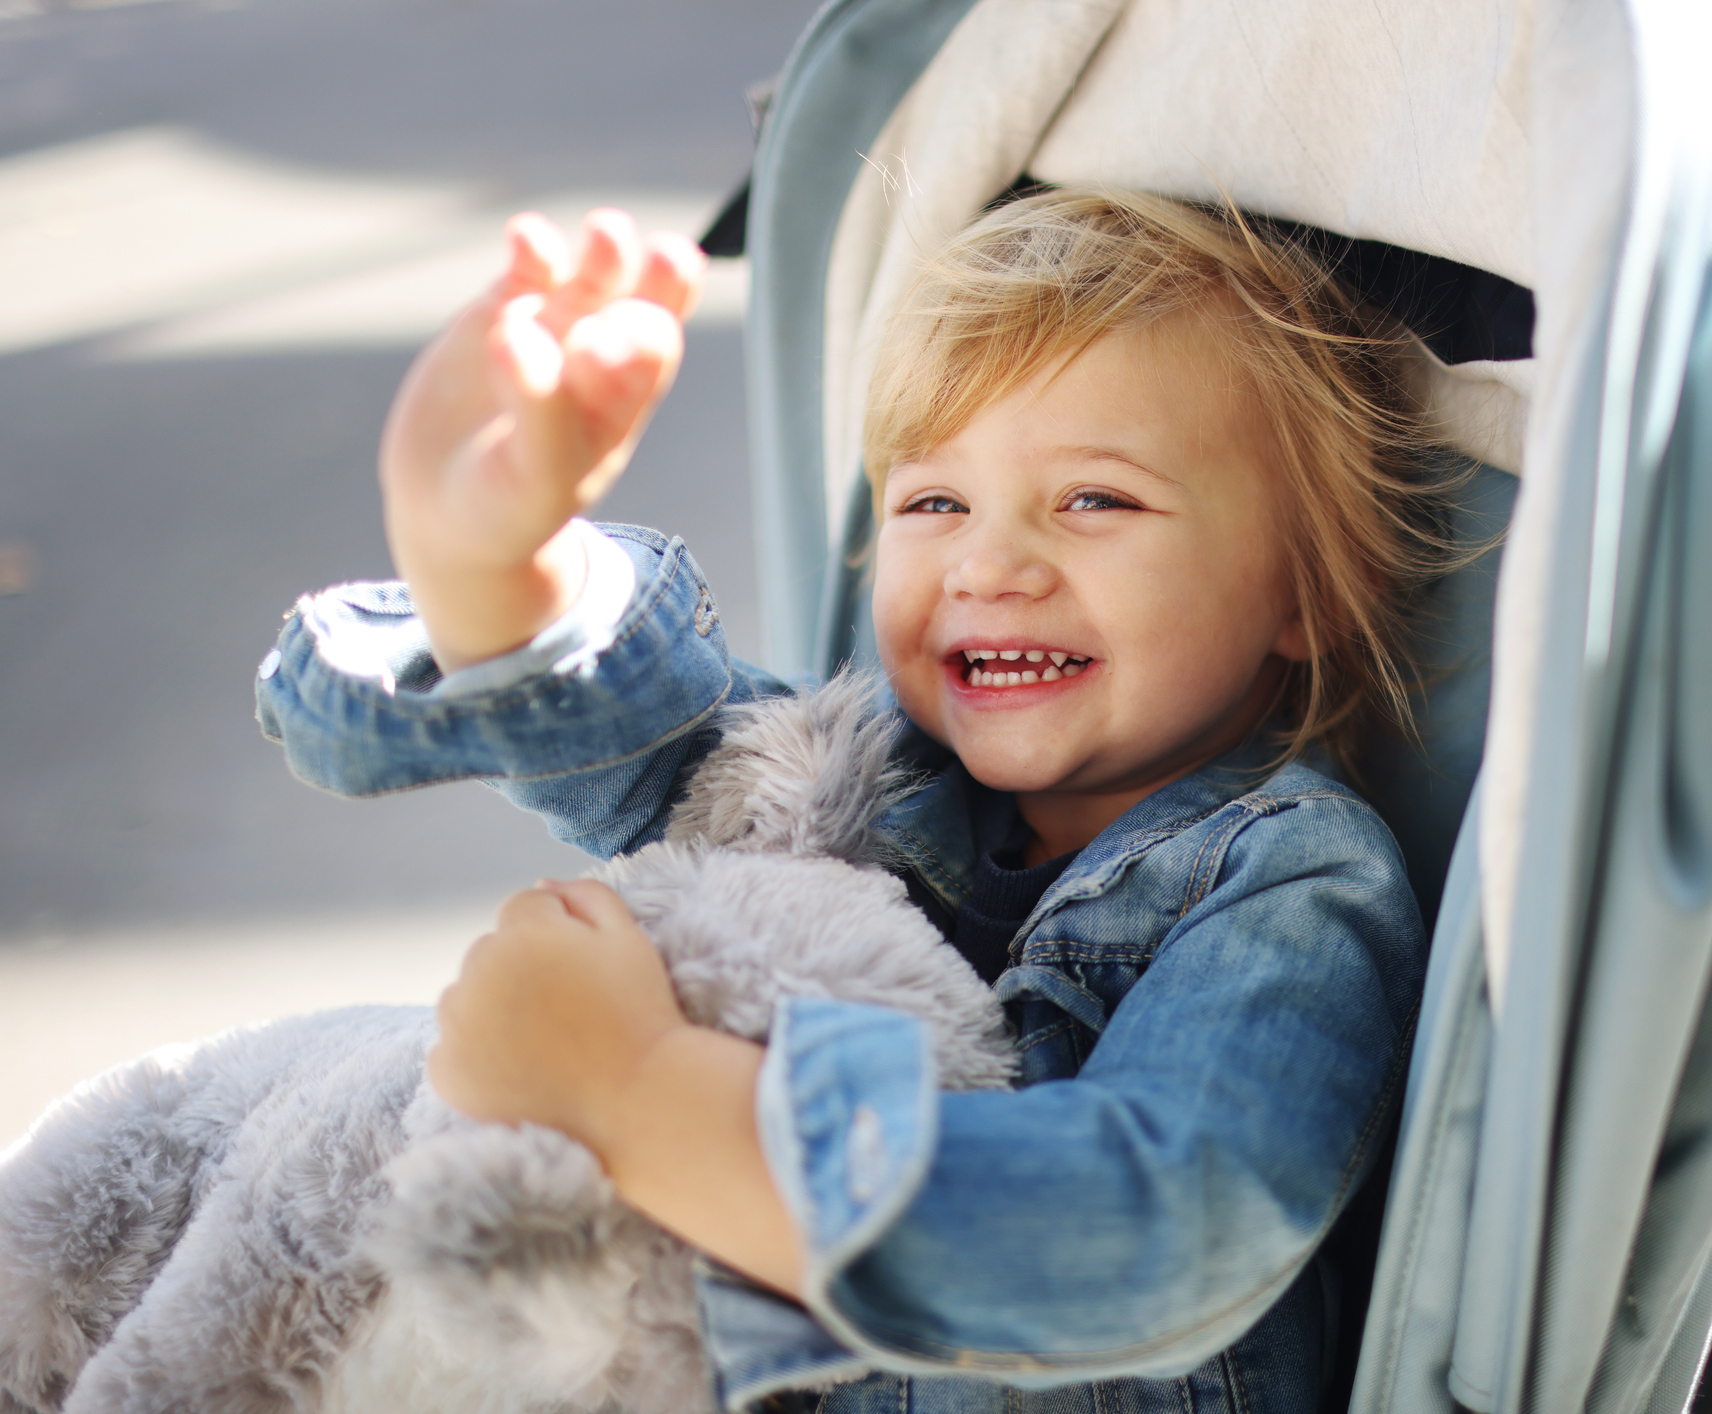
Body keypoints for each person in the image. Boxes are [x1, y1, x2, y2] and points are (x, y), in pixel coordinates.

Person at [257, 187, 1460, 1414]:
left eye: (1095, 499)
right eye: (932, 502)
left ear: (1297, 596)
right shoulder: (867, 771)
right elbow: (646, 732)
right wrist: (494, 566)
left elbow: (1158, 1234)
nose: (988, 563)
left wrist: (637, 1091)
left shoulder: (1285, 881)